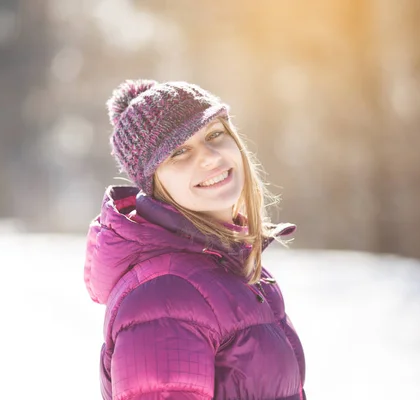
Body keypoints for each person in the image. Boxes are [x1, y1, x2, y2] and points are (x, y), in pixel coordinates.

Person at [84, 80, 307, 400]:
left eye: (214, 134)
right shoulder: (166, 295)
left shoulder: (224, 265)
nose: (209, 157)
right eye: (179, 152)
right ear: (153, 182)